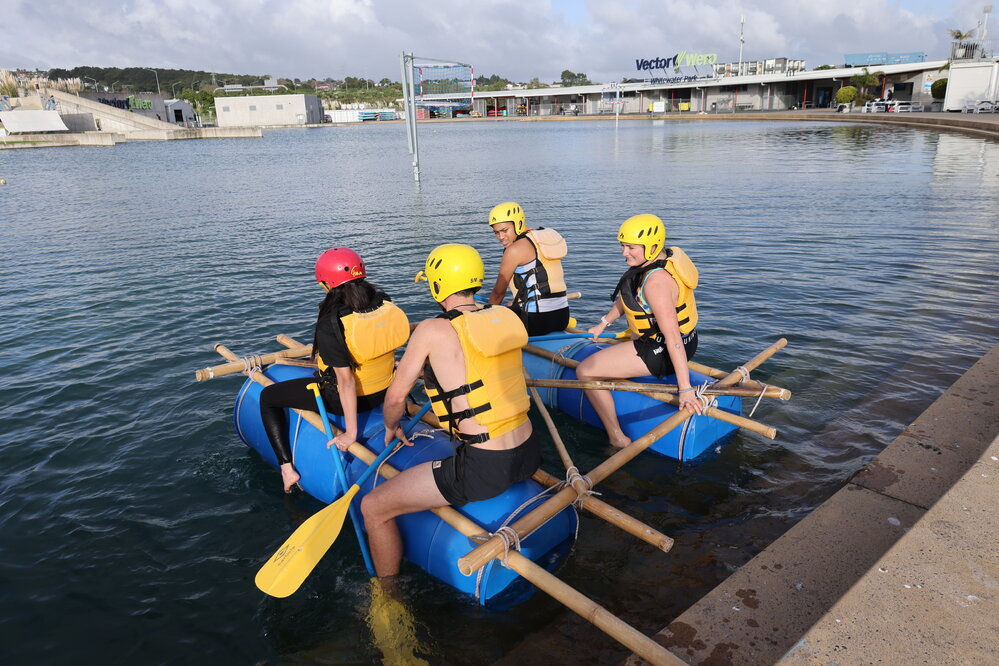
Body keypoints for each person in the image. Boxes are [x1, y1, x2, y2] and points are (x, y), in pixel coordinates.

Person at [356, 244, 540, 578]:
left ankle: (386, 595)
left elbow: (395, 399)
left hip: (486, 469)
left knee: (373, 507)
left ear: (437, 285)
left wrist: (390, 427)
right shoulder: (502, 315)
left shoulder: (432, 329)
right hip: (529, 453)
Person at [258, 247, 409, 492]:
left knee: (267, 397)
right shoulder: (384, 302)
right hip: (385, 391)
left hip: (346, 400)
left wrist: (350, 433)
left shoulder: (332, 322)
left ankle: (286, 469)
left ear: (327, 284)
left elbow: (346, 382)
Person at [576, 214, 704, 448]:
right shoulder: (656, 261)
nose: (624, 253)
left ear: (653, 246)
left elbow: (672, 338)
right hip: (687, 340)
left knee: (585, 371)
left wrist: (685, 389)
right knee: (634, 335)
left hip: (668, 349)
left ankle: (616, 436)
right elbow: (629, 297)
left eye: (631, 247)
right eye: (622, 246)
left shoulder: (656, 283)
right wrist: (603, 323)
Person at [486, 201, 570, 336]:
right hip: (562, 317)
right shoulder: (539, 239)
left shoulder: (513, 250)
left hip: (536, 321)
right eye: (496, 232)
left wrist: (487, 315)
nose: (501, 237)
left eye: (504, 230)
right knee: (511, 306)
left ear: (518, 224)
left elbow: (498, 293)